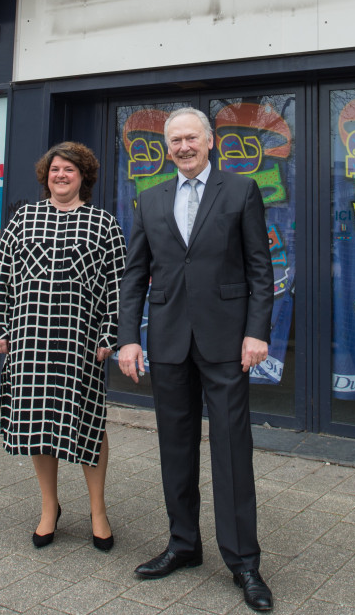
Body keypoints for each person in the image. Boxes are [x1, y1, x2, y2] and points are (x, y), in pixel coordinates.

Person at [117, 107, 275, 612]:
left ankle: (244, 562)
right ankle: (183, 545)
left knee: (232, 450)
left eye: (191, 138)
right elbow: (135, 276)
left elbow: (259, 270)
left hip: (227, 343)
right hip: (166, 343)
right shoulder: (149, 198)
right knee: (175, 449)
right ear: (167, 148)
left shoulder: (241, 191)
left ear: (211, 142)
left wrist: (256, 333)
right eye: (175, 140)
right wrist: (129, 339)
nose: (183, 146)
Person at [0, 141, 126, 551]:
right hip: (29, 338)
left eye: (69, 169)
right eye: (54, 170)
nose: (61, 175)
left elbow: (119, 286)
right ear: (45, 175)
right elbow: (1, 277)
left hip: (79, 341)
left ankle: (98, 510)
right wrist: (0, 326)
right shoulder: (22, 220)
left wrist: (109, 334)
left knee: (88, 424)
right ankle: (50, 507)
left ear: (84, 176)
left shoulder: (104, 224)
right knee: (36, 423)